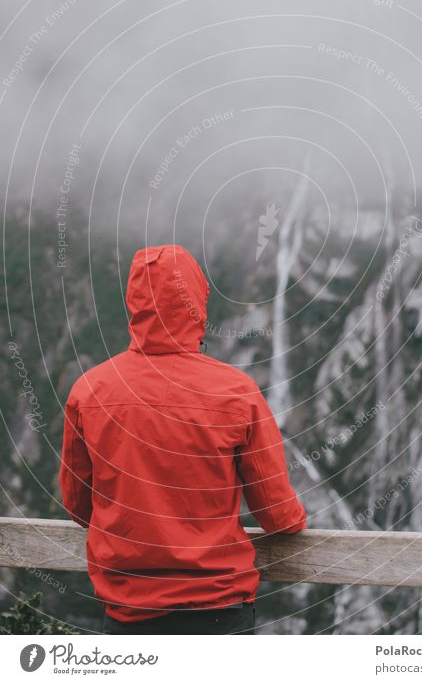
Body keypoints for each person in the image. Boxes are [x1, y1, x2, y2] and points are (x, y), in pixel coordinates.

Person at [59, 245, 306, 635]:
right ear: (197, 302)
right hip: (220, 606)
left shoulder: (89, 391)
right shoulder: (235, 391)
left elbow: (77, 505)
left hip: (128, 609)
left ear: (133, 301)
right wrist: (294, 520)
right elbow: (277, 515)